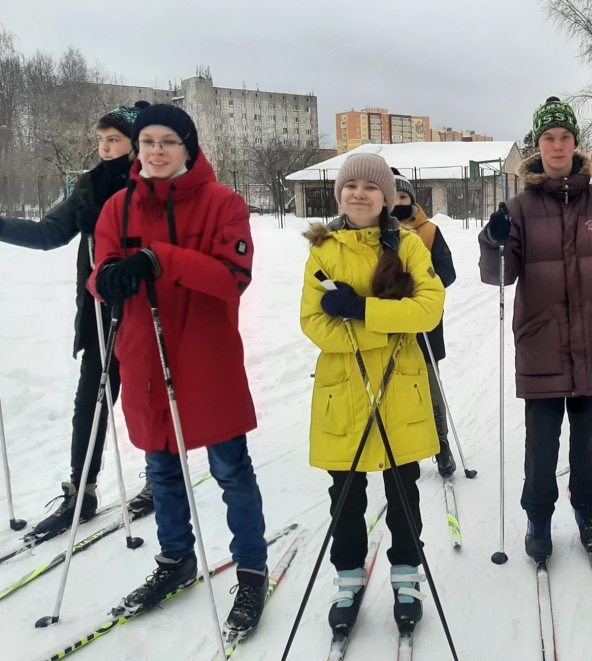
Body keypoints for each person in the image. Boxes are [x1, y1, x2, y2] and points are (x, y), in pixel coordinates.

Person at [89, 104, 270, 638]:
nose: (156, 151)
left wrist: (162, 258)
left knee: (230, 469)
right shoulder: (118, 207)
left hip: (206, 357)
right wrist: (108, 280)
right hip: (146, 356)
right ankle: (176, 558)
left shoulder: (222, 203)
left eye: (168, 141)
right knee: (162, 469)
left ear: (188, 147)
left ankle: (252, 568)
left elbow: (233, 278)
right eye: (148, 141)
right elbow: (100, 272)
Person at [478, 96, 592, 561]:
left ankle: (586, 510)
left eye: (565, 137)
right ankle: (538, 516)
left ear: (576, 143)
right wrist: (493, 240)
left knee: (587, 439)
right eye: (549, 138)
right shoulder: (519, 208)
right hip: (541, 342)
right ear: (538, 146)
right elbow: (500, 275)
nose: (557, 146)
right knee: (541, 442)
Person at [300, 153, 444, 635]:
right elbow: (314, 323)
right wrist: (384, 327)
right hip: (344, 392)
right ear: (339, 194)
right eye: (350, 186)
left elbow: (428, 309)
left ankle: (406, 574)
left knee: (403, 491)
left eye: (370, 187)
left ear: (386, 198)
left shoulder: (408, 245)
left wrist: (362, 311)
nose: (358, 193)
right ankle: (347, 576)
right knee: (345, 495)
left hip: (399, 388)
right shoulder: (323, 250)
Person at [0, 101, 153, 538]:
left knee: (148, 400)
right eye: (100, 140)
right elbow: (49, 233)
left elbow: (162, 240)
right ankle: (81, 490)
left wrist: (110, 221)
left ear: (135, 144)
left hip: (145, 313)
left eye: (113, 140)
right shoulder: (89, 185)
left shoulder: (155, 182)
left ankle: (162, 477)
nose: (104, 148)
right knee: (91, 400)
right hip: (99, 312)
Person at [390, 169, 458, 478]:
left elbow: (448, 272)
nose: (398, 202)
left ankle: (440, 444)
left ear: (412, 199)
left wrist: (420, 287)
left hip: (424, 321)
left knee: (430, 386)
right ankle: (402, 448)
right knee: (395, 388)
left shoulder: (429, 231)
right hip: (390, 322)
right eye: (392, 197)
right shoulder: (375, 231)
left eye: (403, 196)